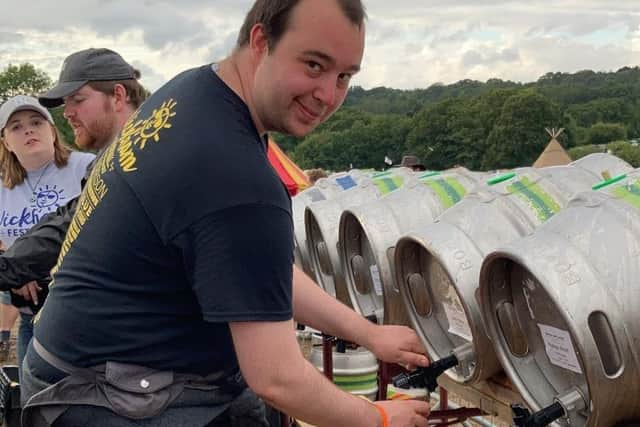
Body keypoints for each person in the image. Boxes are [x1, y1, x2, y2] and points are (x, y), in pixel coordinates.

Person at [22, 2, 431, 427]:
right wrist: (378, 418)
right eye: (313, 65)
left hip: (73, 367)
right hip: (106, 398)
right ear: (260, 41)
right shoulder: (233, 173)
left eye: (344, 76)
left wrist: (366, 333)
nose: (328, 95)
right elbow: (276, 378)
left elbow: (257, 271)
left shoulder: (196, 91)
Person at [0, 50, 144, 373]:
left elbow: (68, 230)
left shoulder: (142, 155)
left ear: (118, 96)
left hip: (136, 355)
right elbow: (69, 222)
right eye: (65, 104)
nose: (68, 113)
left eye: (77, 100)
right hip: (55, 322)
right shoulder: (110, 161)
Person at [0, 95, 94, 366]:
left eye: (37, 121)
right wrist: (14, 266)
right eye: (16, 126)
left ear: (52, 131)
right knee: (26, 397)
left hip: (74, 312)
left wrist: (24, 264)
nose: (28, 129)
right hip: (28, 311)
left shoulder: (84, 167)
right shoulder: (3, 185)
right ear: (6, 141)